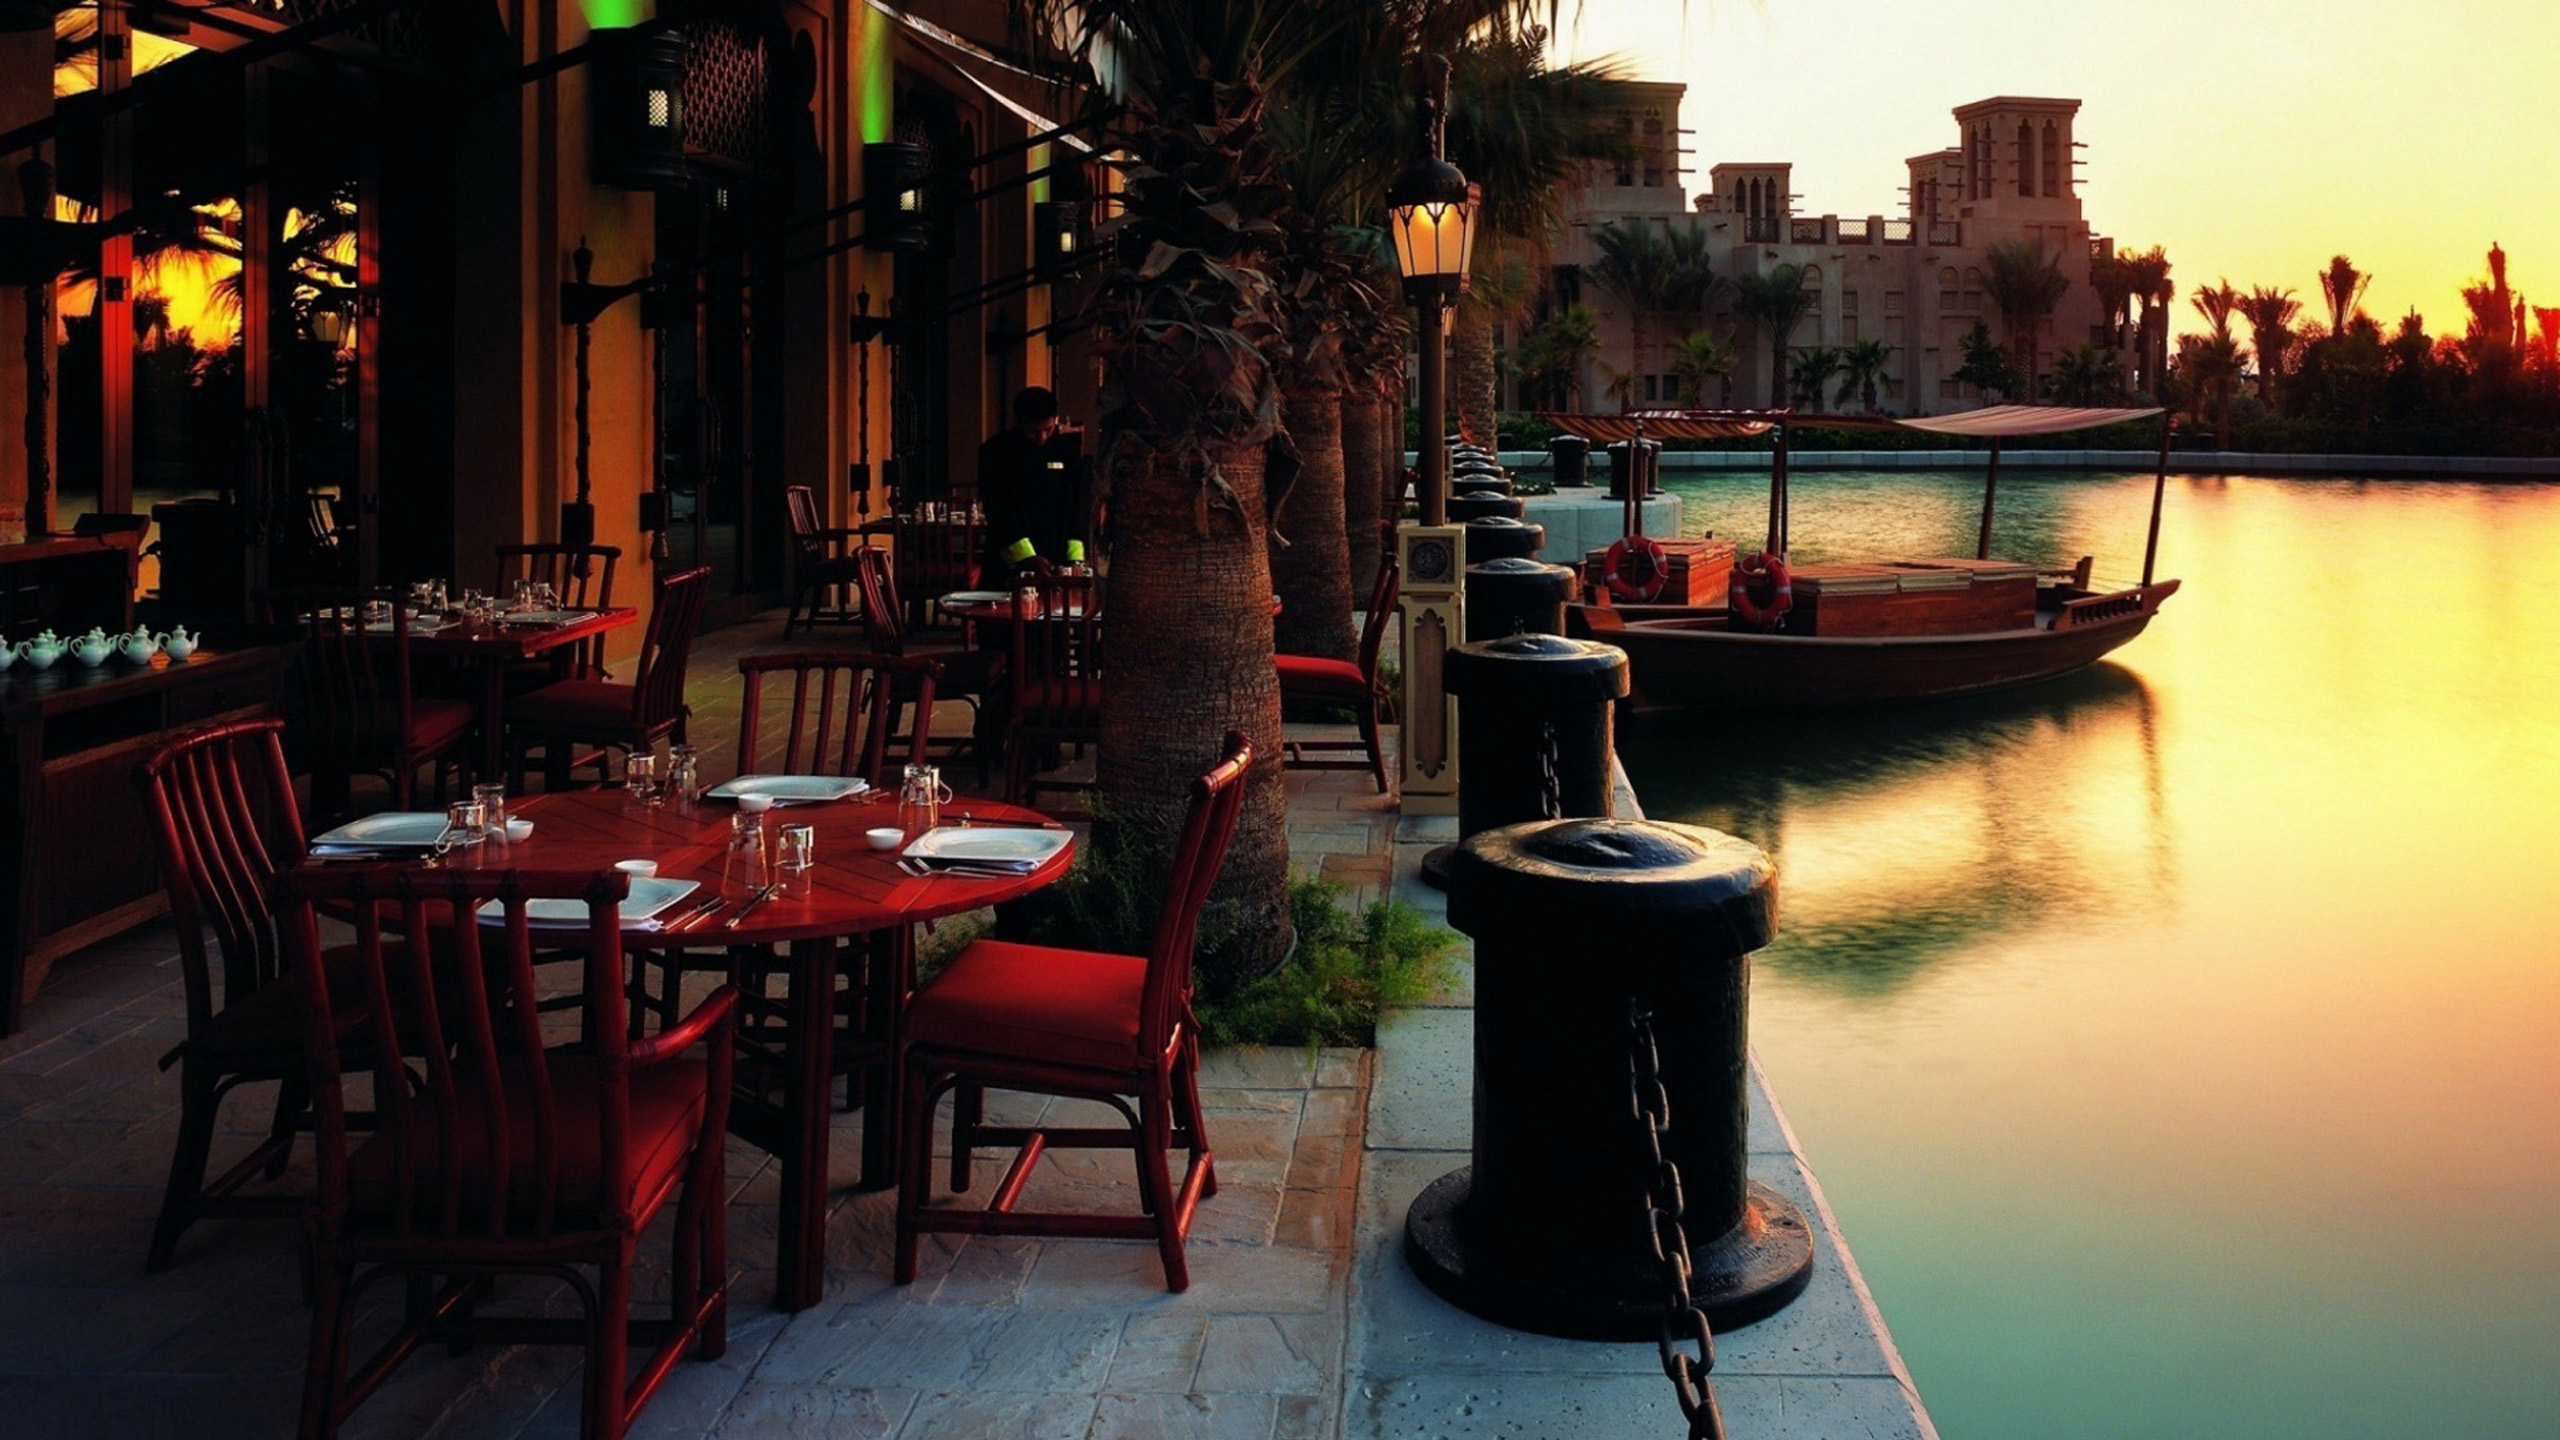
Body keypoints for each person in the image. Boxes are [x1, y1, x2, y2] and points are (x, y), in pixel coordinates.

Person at [977, 386, 1084, 578]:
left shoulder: (1066, 451)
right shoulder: (995, 451)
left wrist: (1075, 558)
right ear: (1017, 422)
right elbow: (999, 509)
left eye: (1048, 430)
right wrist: (1026, 557)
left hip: (1057, 554)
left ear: (1055, 420)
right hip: (1008, 556)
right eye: (1033, 432)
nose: (1041, 438)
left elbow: (1075, 506)